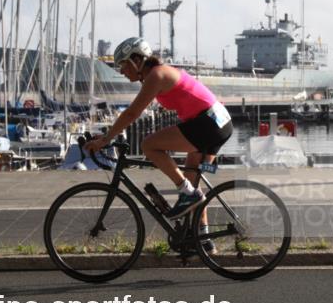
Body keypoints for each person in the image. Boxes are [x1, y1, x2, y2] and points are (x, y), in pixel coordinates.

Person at [83, 37, 233, 221]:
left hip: (209, 122)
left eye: (123, 65)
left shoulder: (157, 75)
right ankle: (203, 239)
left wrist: (105, 140)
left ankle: (186, 192)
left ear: (137, 60)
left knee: (149, 145)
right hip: (219, 121)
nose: (121, 71)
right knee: (192, 182)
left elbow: (132, 113)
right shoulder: (160, 73)